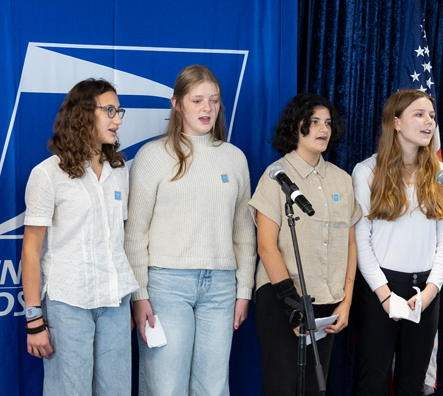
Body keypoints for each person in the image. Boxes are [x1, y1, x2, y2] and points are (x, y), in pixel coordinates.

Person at [124, 64, 256, 396]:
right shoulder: (152, 156)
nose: (207, 108)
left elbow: (243, 230)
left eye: (213, 100)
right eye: (197, 100)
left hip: (221, 287)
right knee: (165, 386)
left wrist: (244, 290)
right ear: (177, 103)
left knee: (213, 387)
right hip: (167, 284)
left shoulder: (234, 158)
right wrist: (139, 296)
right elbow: (135, 232)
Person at [20, 78, 139, 396]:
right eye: (110, 110)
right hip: (68, 303)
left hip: (115, 302)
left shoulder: (121, 170)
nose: (119, 119)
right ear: (84, 114)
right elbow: (31, 251)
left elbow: (121, 239)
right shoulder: (47, 174)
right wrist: (34, 319)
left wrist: (127, 304)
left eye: (119, 110)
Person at [249, 93, 360, 394]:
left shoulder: (342, 180)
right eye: (314, 122)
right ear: (297, 127)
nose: (323, 129)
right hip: (284, 299)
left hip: (328, 303)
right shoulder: (276, 175)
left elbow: (350, 244)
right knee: (282, 386)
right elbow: (266, 246)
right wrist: (292, 307)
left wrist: (347, 301)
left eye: (327, 123)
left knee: (316, 388)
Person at [352, 89, 442, 395]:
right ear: (397, 122)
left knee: (412, 381)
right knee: (374, 378)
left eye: (431, 115)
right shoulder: (367, 172)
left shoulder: (439, 176)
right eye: (419, 114)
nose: (428, 121)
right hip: (381, 290)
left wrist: (430, 291)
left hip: (425, 294)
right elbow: (360, 240)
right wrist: (385, 295)